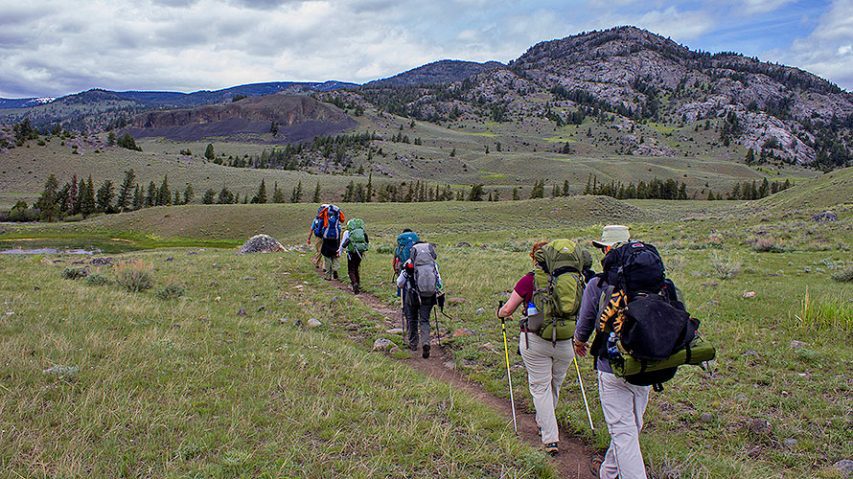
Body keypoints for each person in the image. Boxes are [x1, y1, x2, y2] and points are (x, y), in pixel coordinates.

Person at [574, 224, 658, 479]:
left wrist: (579, 341)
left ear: (608, 249)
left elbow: (586, 321)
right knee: (632, 426)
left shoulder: (598, 283)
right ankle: (608, 473)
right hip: (648, 361)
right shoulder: (654, 281)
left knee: (623, 432)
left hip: (611, 365)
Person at [497, 241, 575, 456]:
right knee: (554, 385)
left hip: (535, 340)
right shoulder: (570, 281)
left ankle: (550, 437)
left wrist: (501, 313)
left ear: (535, 258)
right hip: (565, 341)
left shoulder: (528, 280)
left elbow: (507, 309)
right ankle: (544, 423)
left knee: (540, 388)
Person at [396, 241, 442, 358]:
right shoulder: (433, 264)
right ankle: (426, 342)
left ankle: (413, 344)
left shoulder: (409, 264)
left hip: (412, 296)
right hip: (429, 296)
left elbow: (400, 283)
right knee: (425, 320)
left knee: (412, 318)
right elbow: (439, 283)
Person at [338, 218, 369, 294]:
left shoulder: (347, 232)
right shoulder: (362, 232)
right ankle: (358, 284)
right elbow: (367, 241)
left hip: (351, 252)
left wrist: (339, 252)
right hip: (360, 252)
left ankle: (354, 284)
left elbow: (343, 244)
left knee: (351, 269)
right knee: (356, 268)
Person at [319, 204, 345, 281]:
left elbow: (320, 217)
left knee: (326, 255)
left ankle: (328, 276)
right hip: (336, 237)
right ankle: (335, 268)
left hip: (327, 236)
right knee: (335, 254)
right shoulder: (338, 211)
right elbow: (343, 220)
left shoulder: (325, 211)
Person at [394, 228, 420, 295]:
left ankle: (400, 294)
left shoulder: (400, 246)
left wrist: (396, 269)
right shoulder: (415, 243)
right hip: (416, 263)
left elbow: (396, 258)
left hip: (403, 264)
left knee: (401, 278)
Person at [307, 204, 329, 270]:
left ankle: (317, 263)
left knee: (319, 250)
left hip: (318, 237)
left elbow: (311, 229)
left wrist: (309, 239)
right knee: (326, 251)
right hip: (327, 236)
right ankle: (325, 266)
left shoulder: (316, 219)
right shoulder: (329, 219)